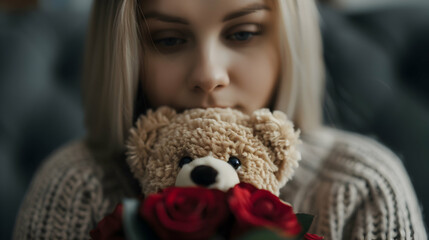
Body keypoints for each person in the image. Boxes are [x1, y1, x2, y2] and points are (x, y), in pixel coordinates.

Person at [13, 0, 427, 239]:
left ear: (287, 40)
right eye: (169, 39)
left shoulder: (361, 188)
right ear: (129, 52)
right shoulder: (76, 186)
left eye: (243, 33)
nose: (209, 75)